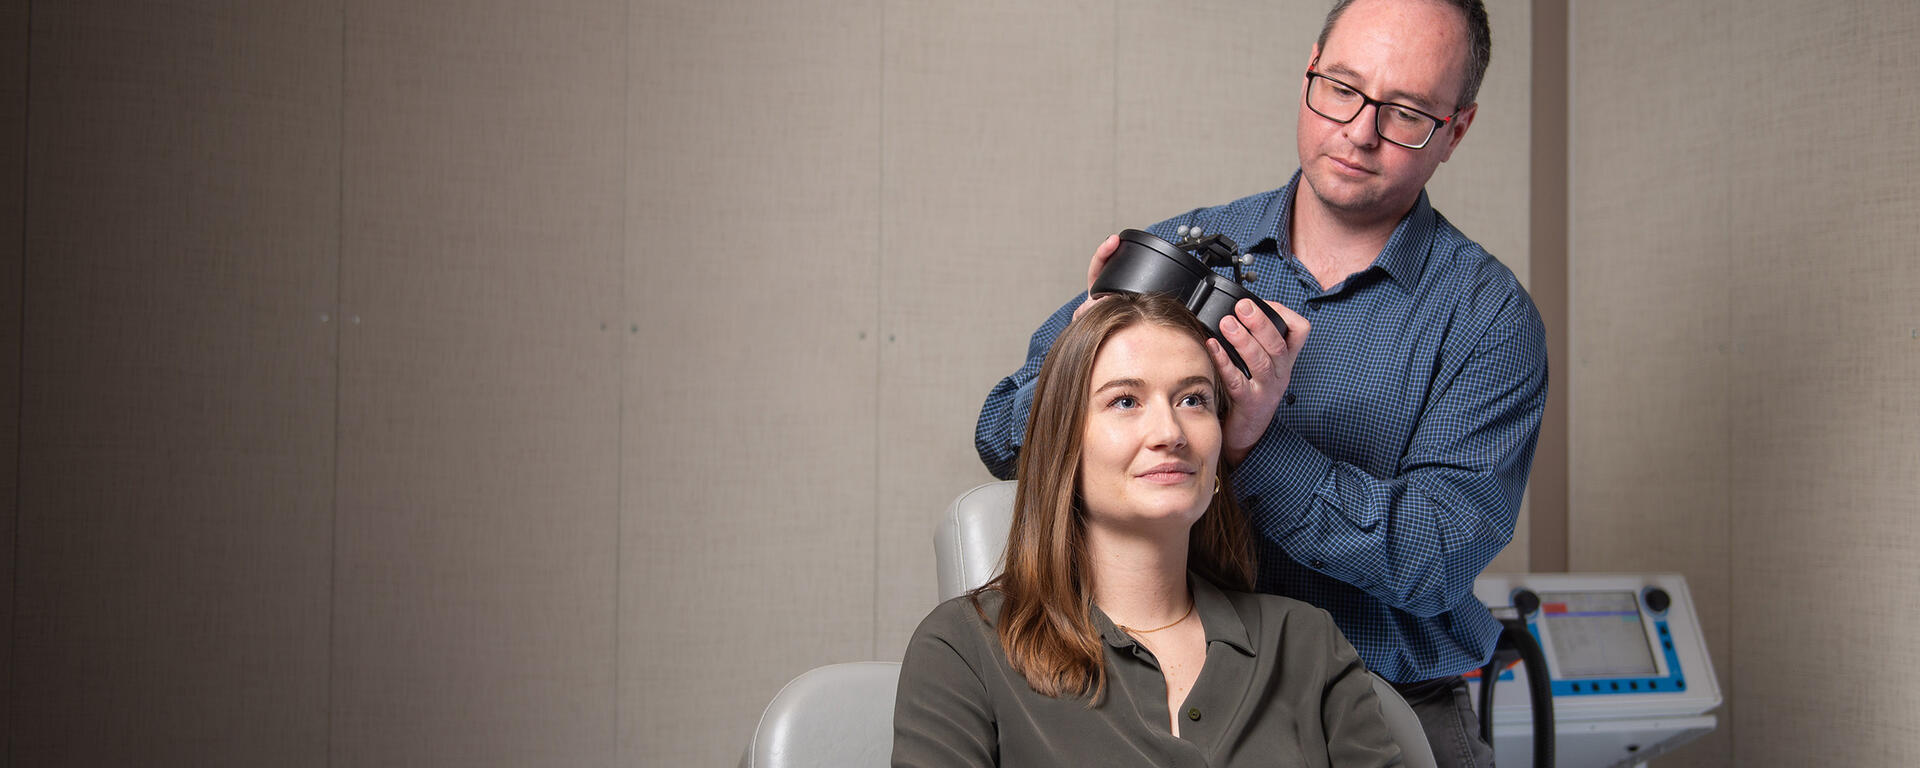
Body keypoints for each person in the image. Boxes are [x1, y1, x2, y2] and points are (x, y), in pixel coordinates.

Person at [974, 1, 1547, 765]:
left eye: (1406, 112)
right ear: (1309, 67)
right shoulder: (1187, 254)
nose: (1359, 130)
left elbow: (1435, 558)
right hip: (1156, 696)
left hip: (1388, 706)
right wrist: (1090, 353)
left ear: (1458, 128)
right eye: (1341, 88)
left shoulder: (1488, 319)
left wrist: (1260, 445)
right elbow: (999, 435)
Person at [897, 293, 1404, 768]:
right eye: (1125, 401)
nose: (1169, 433)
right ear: (1063, 445)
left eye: (1193, 400)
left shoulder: (1307, 641)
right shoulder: (964, 647)